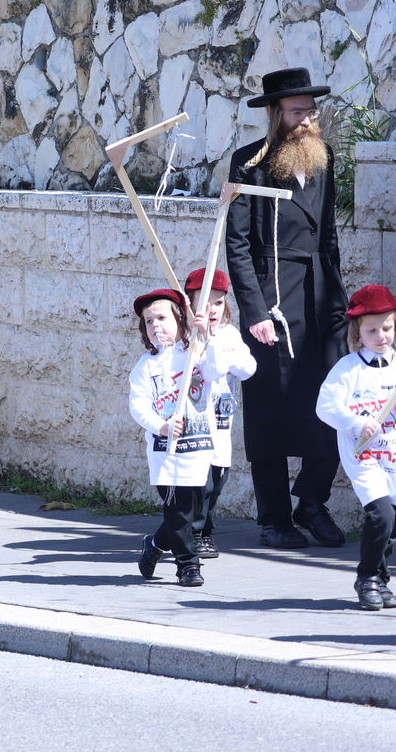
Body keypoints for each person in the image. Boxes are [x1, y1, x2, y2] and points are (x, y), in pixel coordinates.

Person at [225, 66, 349, 549]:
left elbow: (330, 235)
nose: (306, 121)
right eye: (297, 112)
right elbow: (236, 244)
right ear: (276, 114)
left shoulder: (323, 156)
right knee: (271, 408)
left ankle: (312, 502)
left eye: (310, 111)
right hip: (272, 296)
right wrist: (254, 310)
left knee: (334, 401)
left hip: (321, 296)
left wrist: (340, 302)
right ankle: (274, 518)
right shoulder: (248, 163)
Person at [315, 284, 396, 611]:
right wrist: (355, 423)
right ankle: (367, 578)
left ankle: (380, 575)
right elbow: (325, 406)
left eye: (387, 328)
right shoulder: (347, 369)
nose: (381, 335)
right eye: (372, 330)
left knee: (391, 523)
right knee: (379, 514)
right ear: (357, 332)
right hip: (362, 454)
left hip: (392, 453)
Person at [128, 288, 216, 587]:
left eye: (162, 318)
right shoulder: (146, 367)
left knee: (190, 512)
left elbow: (219, 369)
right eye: (148, 322)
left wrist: (206, 335)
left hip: (199, 445)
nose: (155, 326)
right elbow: (138, 406)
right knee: (178, 511)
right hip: (166, 450)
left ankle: (154, 544)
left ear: (180, 319)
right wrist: (160, 426)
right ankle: (187, 566)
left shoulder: (196, 352)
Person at [183, 268, 256, 559]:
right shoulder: (185, 335)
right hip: (195, 420)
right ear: (189, 303)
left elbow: (248, 369)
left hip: (220, 421)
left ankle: (202, 529)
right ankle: (197, 533)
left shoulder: (228, 334)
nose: (211, 309)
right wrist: (203, 337)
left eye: (217, 302)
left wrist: (222, 346)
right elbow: (210, 370)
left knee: (217, 478)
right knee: (200, 481)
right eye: (203, 302)